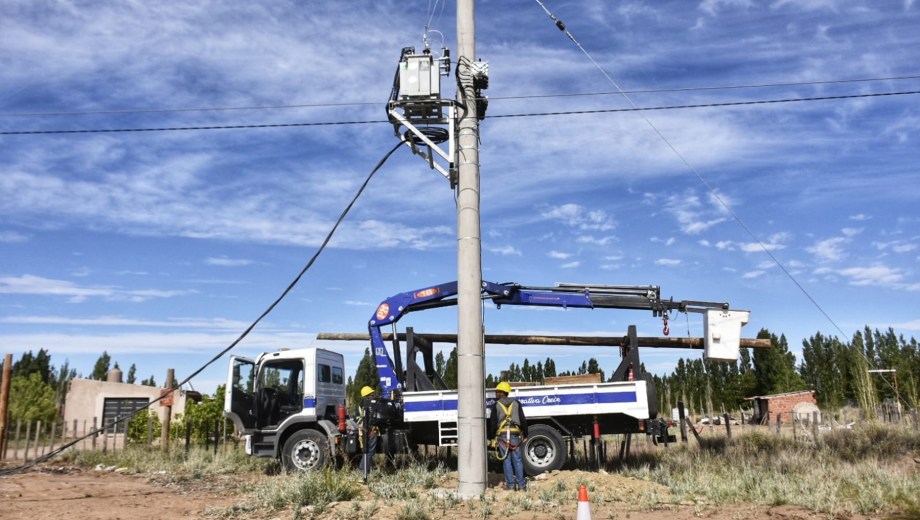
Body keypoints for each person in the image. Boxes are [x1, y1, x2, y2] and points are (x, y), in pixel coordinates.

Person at [489, 381, 528, 491]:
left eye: (497, 392)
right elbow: (523, 419)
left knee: (506, 460)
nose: (496, 394)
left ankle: (510, 486)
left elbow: (493, 423)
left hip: (503, 436)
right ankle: (522, 486)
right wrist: (525, 433)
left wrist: (492, 437)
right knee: (518, 460)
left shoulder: (496, 405)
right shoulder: (516, 403)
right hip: (515, 434)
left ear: (502, 393)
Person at [356, 386, 378, 474]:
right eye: (372, 394)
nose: (373, 396)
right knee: (369, 451)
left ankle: (367, 469)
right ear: (367, 396)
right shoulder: (367, 405)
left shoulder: (361, 405)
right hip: (368, 431)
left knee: (367, 451)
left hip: (365, 431)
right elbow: (360, 419)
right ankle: (363, 470)